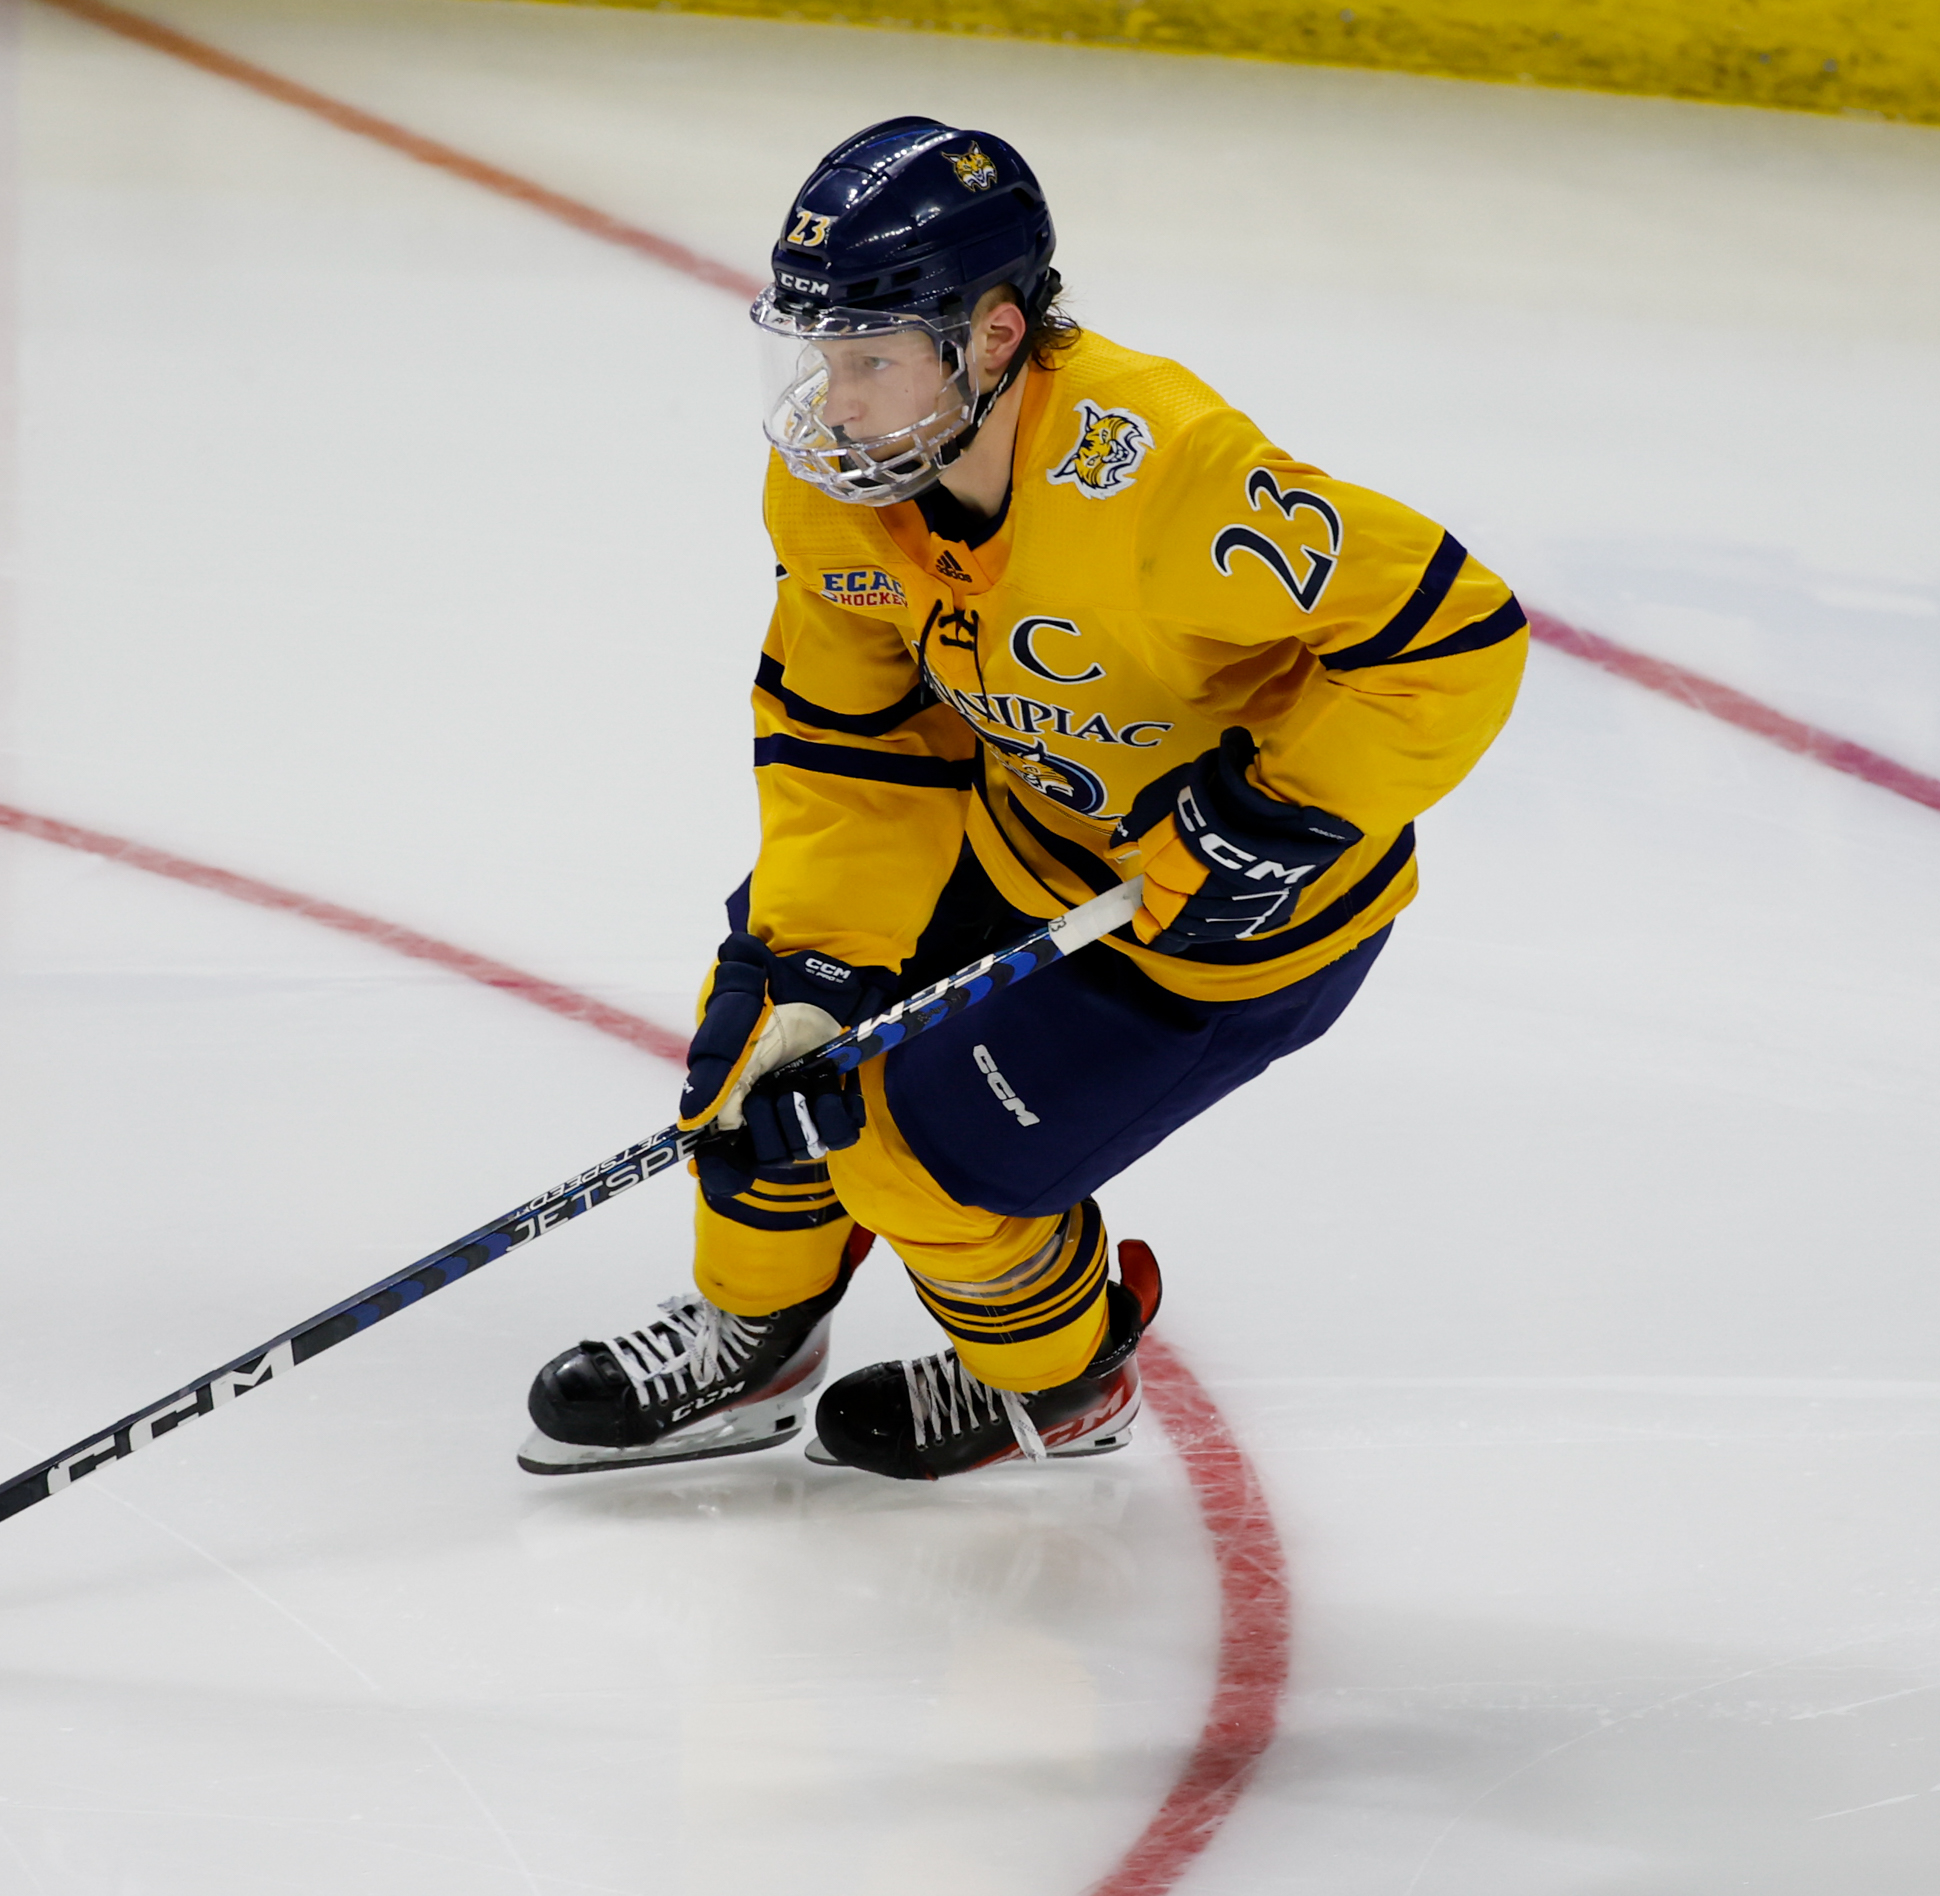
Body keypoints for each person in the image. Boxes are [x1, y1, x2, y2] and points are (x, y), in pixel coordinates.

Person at [518, 118, 1525, 1481]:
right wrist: (817, 959)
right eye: (822, 352)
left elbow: (1452, 635)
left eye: (870, 356)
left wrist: (1281, 809)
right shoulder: (843, 486)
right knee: (757, 1064)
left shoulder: (1164, 474)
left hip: (1227, 932)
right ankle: (754, 1332)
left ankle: (1062, 1381)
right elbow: (845, 737)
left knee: (913, 1167)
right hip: (1020, 840)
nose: (836, 397)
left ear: (993, 338)